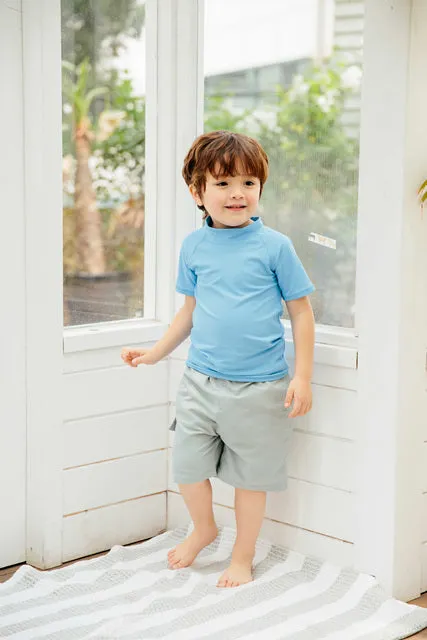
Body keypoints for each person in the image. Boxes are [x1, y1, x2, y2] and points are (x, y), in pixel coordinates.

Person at [121, 130, 315, 589]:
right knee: (188, 468)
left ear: (260, 189)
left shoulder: (275, 247)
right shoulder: (194, 247)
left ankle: (242, 556)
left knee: (251, 480)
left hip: (261, 388)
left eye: (248, 183)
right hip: (200, 383)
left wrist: (302, 377)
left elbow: (302, 313)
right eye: (224, 184)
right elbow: (188, 311)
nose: (237, 194)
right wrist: (154, 354)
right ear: (198, 191)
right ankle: (204, 528)